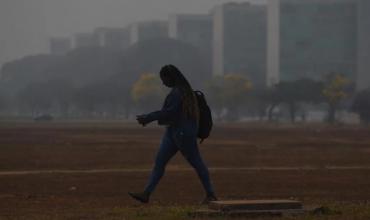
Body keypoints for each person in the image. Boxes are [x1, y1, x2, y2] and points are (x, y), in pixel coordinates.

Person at [128, 64, 217, 204]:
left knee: (197, 163)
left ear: (171, 77)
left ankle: (211, 194)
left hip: (183, 134)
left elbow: (169, 112)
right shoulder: (181, 91)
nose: (163, 82)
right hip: (173, 132)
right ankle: (146, 193)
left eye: (164, 79)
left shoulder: (178, 93)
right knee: (160, 163)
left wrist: (148, 117)